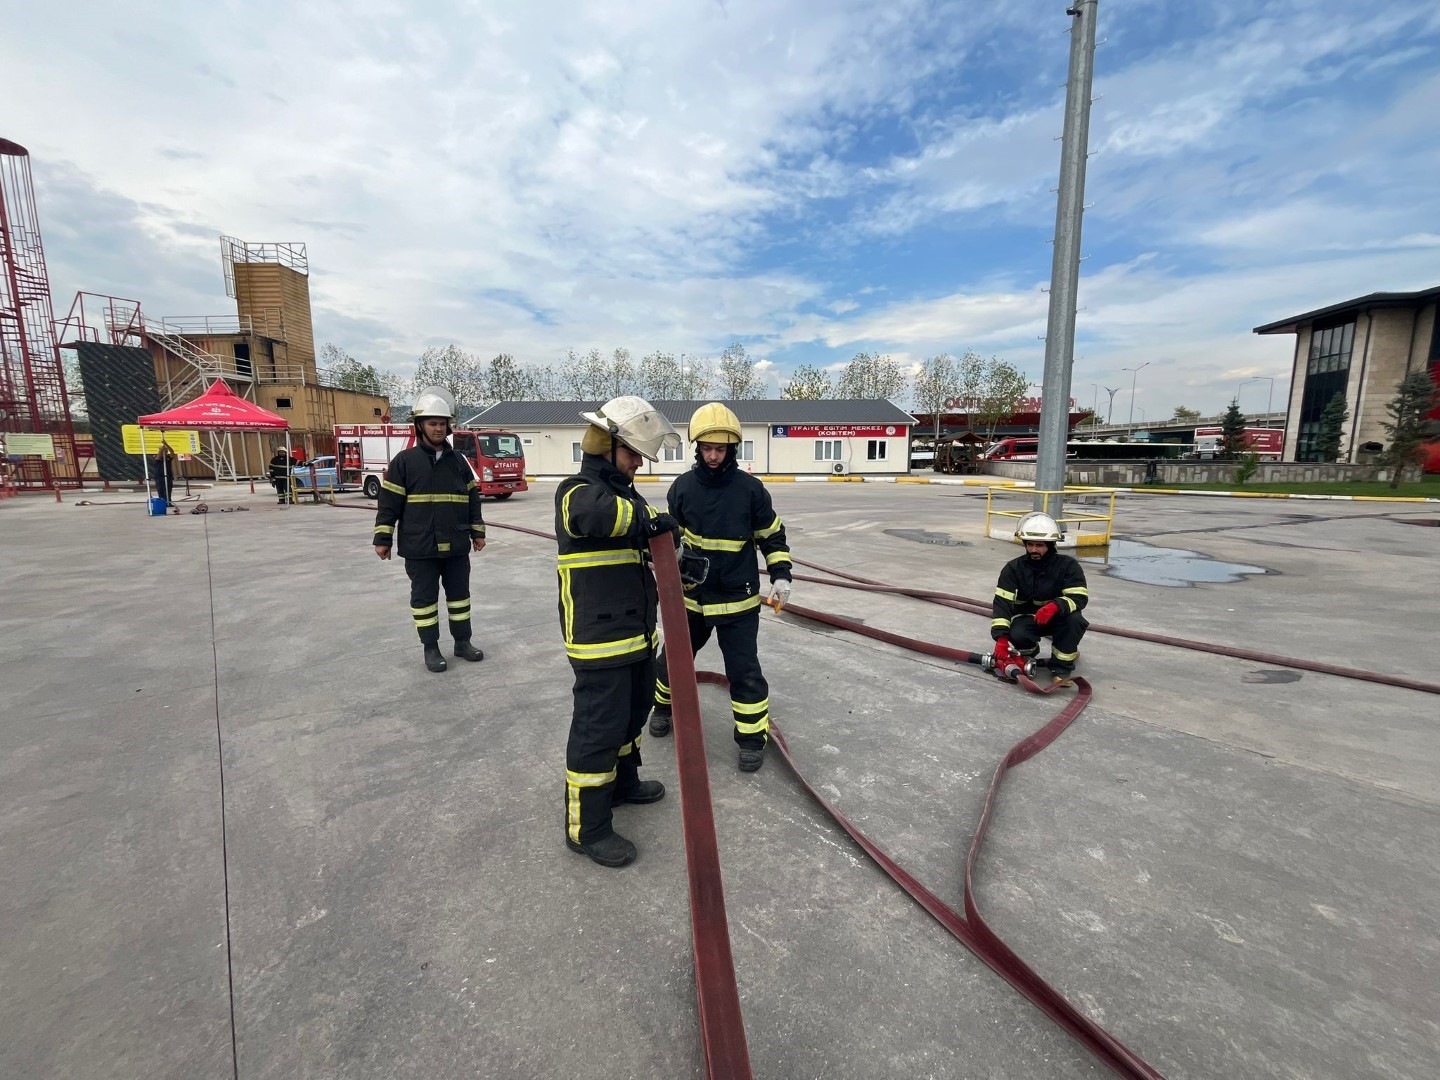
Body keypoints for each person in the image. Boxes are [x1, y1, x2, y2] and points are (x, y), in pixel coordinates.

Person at [556, 395, 683, 868]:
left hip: (634, 636)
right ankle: (586, 828)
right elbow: (599, 519)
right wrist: (653, 524)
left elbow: (645, 543)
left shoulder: (626, 496)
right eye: (632, 453)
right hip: (598, 641)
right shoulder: (576, 491)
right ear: (604, 445)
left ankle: (624, 783)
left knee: (632, 716)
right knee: (598, 729)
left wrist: (678, 558)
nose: (637, 464)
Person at [647, 402, 792, 773]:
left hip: (738, 600)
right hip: (691, 598)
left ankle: (750, 739)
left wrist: (781, 575)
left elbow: (771, 535)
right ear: (698, 448)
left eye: (721, 449)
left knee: (744, 671)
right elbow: (670, 541)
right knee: (673, 661)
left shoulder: (751, 491)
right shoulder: (682, 488)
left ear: (732, 450)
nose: (713, 456)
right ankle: (662, 707)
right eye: (707, 448)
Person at [372, 389, 487, 673]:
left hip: (456, 544)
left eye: (442, 423)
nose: (438, 428)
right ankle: (431, 648)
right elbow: (389, 504)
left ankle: (462, 642)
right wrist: (382, 538)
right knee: (424, 601)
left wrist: (477, 531)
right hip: (420, 547)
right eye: (432, 423)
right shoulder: (404, 462)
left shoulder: (459, 462)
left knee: (460, 597)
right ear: (420, 425)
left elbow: (472, 499)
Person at [990, 511, 1089, 684]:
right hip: (1028, 619)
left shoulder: (1068, 566)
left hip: (1059, 617)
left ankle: (1062, 669)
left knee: (1075, 621)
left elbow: (1079, 597)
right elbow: (1002, 604)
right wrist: (1001, 638)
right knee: (1018, 632)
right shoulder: (1013, 568)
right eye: (1030, 544)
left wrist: (1055, 607)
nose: (1034, 550)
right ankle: (1028, 655)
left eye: (1040, 545)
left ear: (1051, 545)